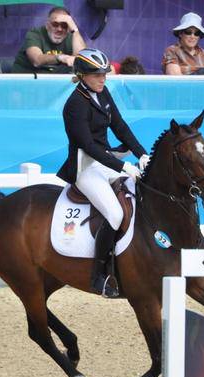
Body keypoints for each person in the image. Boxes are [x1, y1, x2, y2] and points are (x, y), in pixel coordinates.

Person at [57, 48, 150, 298]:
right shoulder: (74, 105)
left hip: (106, 160)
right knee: (115, 214)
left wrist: (141, 153)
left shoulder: (102, 92)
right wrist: (123, 167)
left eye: (104, 74)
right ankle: (98, 275)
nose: (103, 79)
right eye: (97, 75)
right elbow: (87, 145)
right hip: (86, 166)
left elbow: (120, 126)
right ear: (82, 75)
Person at [10, 7, 86, 74]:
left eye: (64, 25)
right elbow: (37, 60)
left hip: (55, 81)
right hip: (27, 79)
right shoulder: (35, 34)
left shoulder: (72, 37)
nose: (59, 29)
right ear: (47, 25)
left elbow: (83, 61)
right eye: (55, 24)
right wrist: (60, 58)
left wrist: (75, 30)